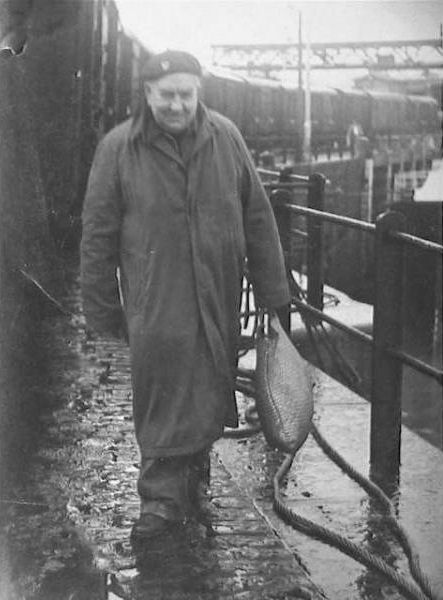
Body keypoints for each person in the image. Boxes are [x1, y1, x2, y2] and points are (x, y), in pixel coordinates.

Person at [80, 50, 290, 541]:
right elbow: (97, 233)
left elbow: (258, 216)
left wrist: (274, 294)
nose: (176, 105)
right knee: (162, 393)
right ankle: (159, 501)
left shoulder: (226, 138)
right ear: (147, 94)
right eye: (166, 95)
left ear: (199, 94)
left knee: (209, 388)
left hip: (217, 294)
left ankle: (191, 480)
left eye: (185, 95)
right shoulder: (119, 148)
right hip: (158, 298)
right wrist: (103, 307)